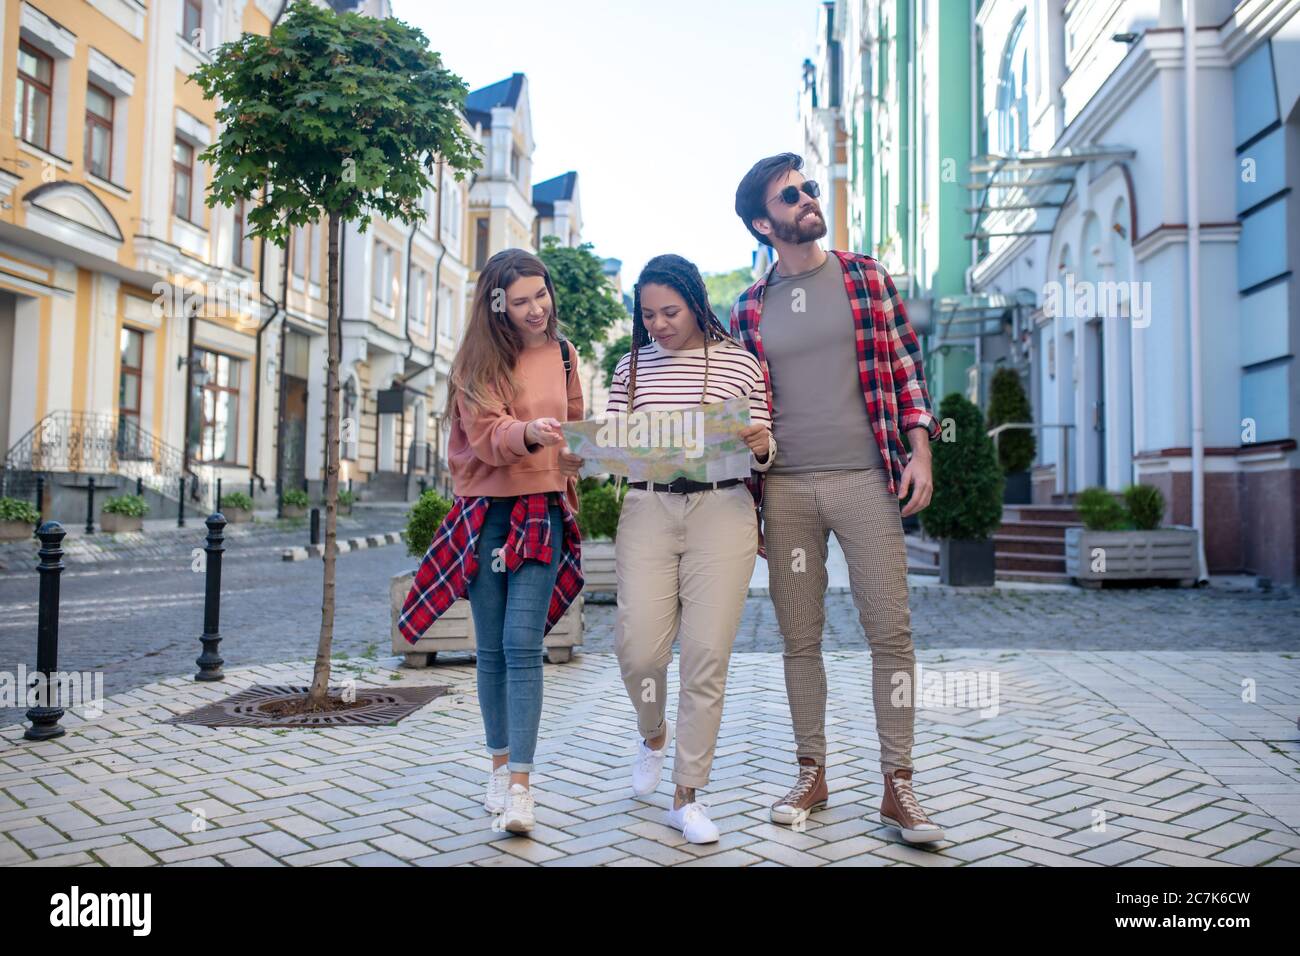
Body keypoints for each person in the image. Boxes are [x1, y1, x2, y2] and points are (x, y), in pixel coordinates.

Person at [729, 153, 945, 843]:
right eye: (791, 195)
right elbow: (742, 408)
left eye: (810, 188)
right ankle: (812, 771)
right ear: (764, 222)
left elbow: (908, 368)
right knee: (800, 640)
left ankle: (899, 785)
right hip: (786, 490)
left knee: (892, 633)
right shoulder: (749, 307)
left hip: (864, 483)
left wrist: (922, 451)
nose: (808, 200)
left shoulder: (864, 276)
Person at [568, 254, 774, 843]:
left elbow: (766, 450)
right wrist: (587, 453)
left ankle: (687, 795)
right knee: (637, 650)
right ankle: (652, 732)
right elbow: (614, 445)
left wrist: (762, 441)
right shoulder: (629, 368)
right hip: (648, 508)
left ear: (696, 301)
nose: (658, 323)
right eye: (648, 314)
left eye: (670, 311)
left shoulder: (740, 363)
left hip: (723, 510)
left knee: (706, 655)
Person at [398, 248, 585, 836]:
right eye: (521, 300)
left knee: (522, 642)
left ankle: (523, 788)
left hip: (543, 511)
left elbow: (575, 425)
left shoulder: (565, 354)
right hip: (485, 516)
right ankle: (499, 766)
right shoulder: (476, 361)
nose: (536, 309)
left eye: (541, 295)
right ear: (497, 304)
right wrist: (527, 432)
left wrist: (586, 450)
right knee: (493, 649)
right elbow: (484, 435)